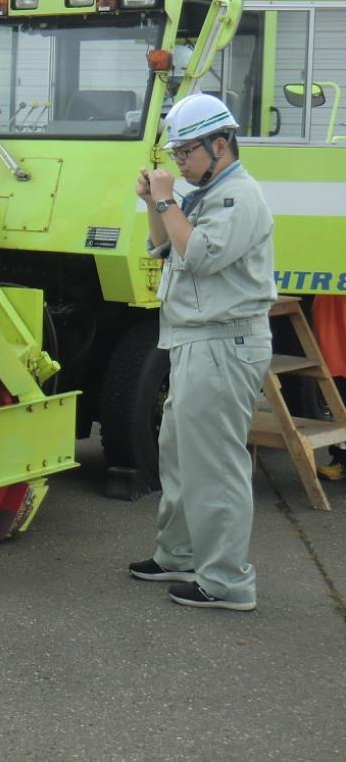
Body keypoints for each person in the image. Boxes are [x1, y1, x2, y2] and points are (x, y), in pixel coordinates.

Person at [128, 93, 275, 612]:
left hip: (223, 341)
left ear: (220, 144)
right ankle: (180, 554)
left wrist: (167, 201)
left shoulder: (240, 196)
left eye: (186, 151)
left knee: (214, 463)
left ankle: (227, 581)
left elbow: (201, 255)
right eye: (176, 153)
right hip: (195, 340)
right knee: (179, 454)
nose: (180, 162)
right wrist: (155, 204)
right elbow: (166, 247)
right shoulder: (207, 194)